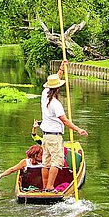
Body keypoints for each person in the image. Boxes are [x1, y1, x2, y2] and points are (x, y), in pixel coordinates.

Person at [40, 60, 88, 192]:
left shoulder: (44, 95)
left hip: (45, 136)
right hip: (54, 137)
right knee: (57, 162)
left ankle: (45, 187)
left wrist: (61, 69)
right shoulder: (56, 104)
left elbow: (55, 80)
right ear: (58, 88)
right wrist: (79, 130)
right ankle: (49, 187)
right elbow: (65, 121)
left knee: (46, 162)